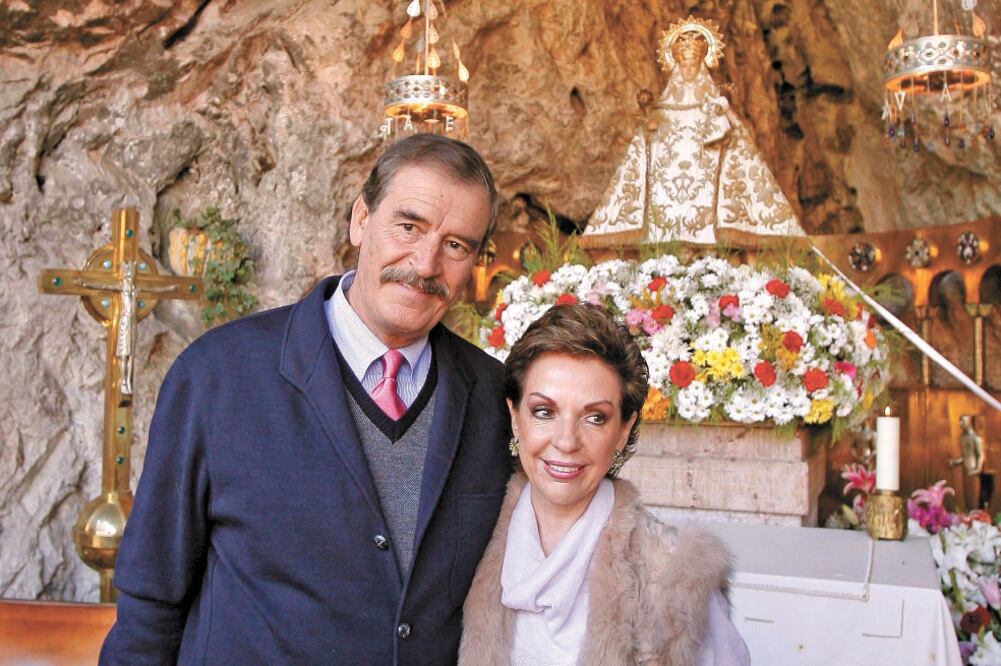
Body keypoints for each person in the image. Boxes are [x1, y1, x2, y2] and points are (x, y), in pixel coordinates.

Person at [100, 134, 512, 664]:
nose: (427, 263)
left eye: (456, 245)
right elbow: (149, 606)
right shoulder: (215, 377)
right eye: (408, 226)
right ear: (360, 219)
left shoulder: (495, 401)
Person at [459, 303, 750, 665]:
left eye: (595, 417)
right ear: (516, 417)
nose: (566, 441)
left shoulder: (673, 577)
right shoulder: (468, 540)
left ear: (623, 430)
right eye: (544, 412)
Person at [580, 15, 805, 250]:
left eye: (693, 65)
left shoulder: (715, 108)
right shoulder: (662, 112)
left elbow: (740, 154)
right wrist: (648, 120)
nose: (688, 70)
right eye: (684, 65)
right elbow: (643, 154)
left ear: (701, 64)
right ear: (677, 65)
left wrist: (721, 115)